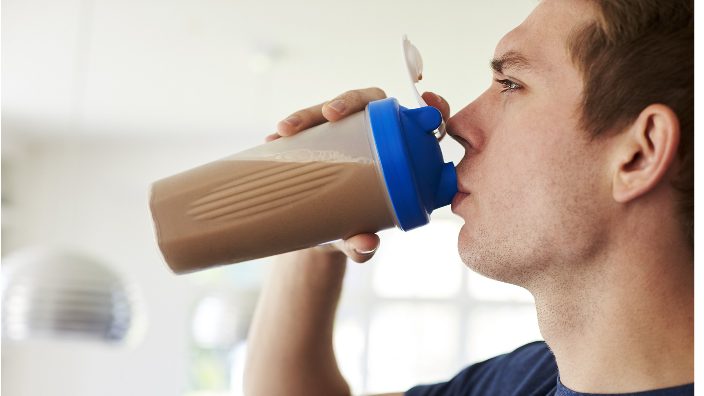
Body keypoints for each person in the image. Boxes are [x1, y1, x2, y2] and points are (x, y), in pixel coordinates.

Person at [243, 0, 695, 395]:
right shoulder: (525, 378)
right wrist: (319, 231)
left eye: (512, 84)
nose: (456, 122)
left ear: (639, 154)